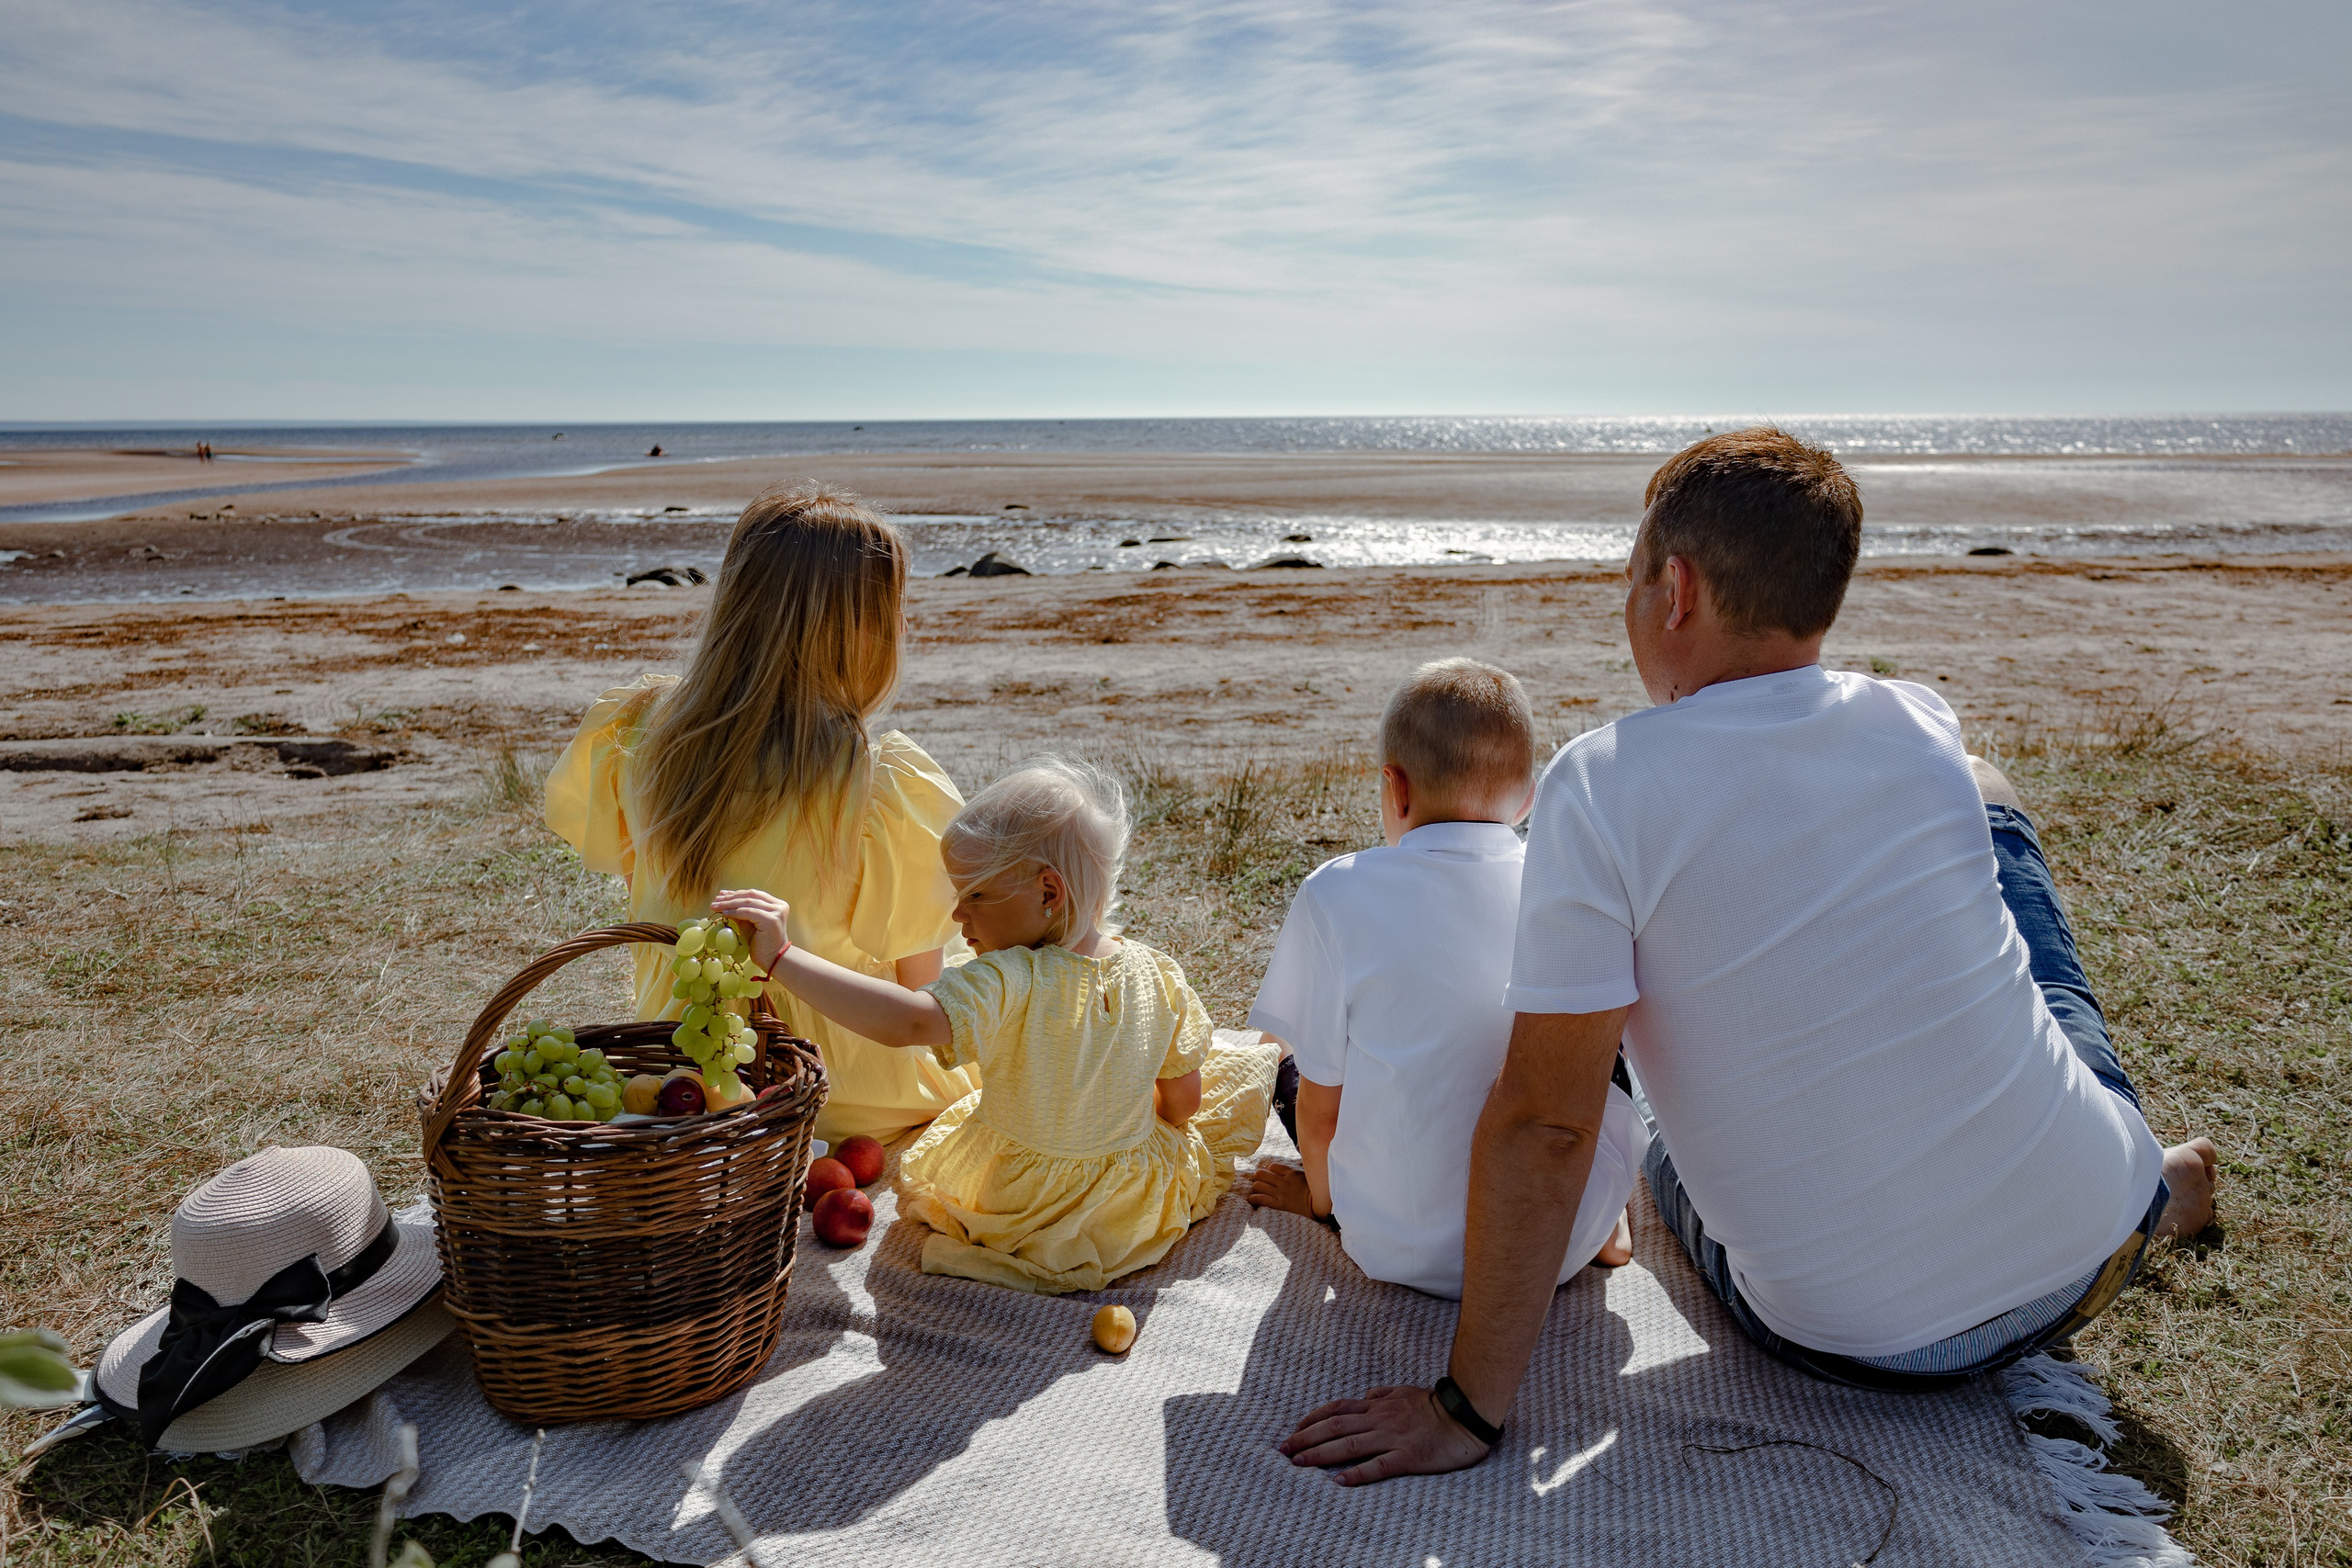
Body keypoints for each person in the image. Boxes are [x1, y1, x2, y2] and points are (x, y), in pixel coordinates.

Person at [1279, 427, 2220, 1484]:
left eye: (1629, 582)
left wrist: (1468, 1409)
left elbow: (1548, 1121)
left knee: (1658, 1139)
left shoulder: (1599, 787)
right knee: (1987, 796)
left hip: (1866, 1345)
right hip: (2094, 1241)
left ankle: (2151, 1183)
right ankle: (2159, 1184)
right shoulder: (1916, 720)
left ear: (1673, 590)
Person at [714, 759, 1278, 1293]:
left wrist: (782, 957)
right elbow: (1182, 1105)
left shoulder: (1009, 978)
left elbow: (906, 1018)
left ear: (1049, 893)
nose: (958, 916)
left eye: (976, 894)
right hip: (1125, 1208)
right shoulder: (1160, 974)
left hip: (1021, 1208)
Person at [544, 483, 978, 1146]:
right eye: (893, 609)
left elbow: (653, 889)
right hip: (837, 1089)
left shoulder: (637, 733)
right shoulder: (875, 778)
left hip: (687, 1070)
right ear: (854, 628)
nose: (904, 626)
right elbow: (925, 987)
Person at [1240, 657, 1644, 1293]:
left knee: (1289, 1063)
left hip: (1389, 1243)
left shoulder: (1337, 892)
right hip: (1553, 1243)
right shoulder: (1563, 884)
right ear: (1529, 798)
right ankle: (1606, 1225)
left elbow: (1320, 1116)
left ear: (1395, 788)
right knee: (1594, 1043)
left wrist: (1321, 1202)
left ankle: (1323, 1195)